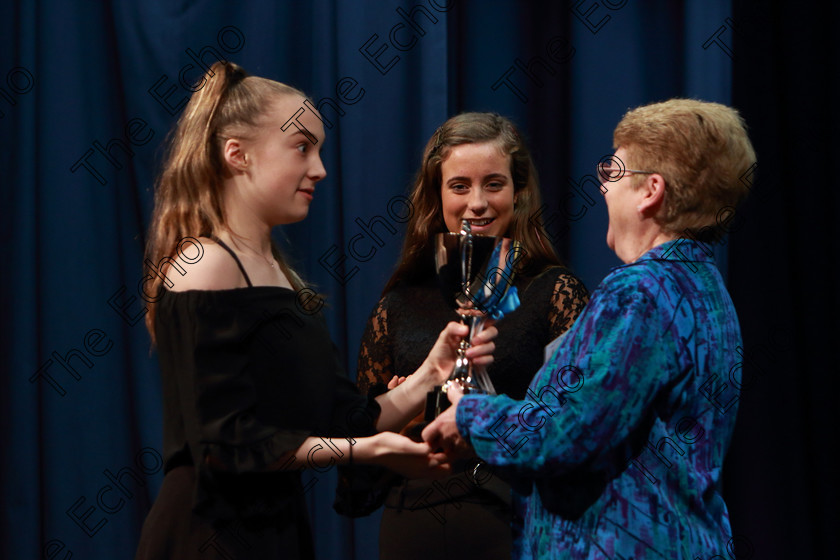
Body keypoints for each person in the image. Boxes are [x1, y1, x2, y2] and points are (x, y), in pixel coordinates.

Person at [134, 61, 497, 560]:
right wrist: (366, 451)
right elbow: (224, 443)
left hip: (276, 533)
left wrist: (429, 376)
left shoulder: (282, 277)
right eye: (302, 147)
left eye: (319, 149)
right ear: (237, 155)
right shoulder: (204, 266)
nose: (320, 169)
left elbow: (347, 418)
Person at [423, 99, 757, 559]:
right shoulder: (707, 288)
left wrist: (469, 413)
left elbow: (566, 435)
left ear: (650, 191)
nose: (602, 187)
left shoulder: (638, 293)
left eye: (613, 170)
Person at [345, 112, 589, 560]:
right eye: (460, 186)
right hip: (412, 529)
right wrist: (404, 412)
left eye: (493, 184)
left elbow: (578, 433)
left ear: (518, 194)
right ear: (436, 197)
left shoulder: (554, 293)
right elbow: (358, 462)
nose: (477, 203)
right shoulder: (397, 306)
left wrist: (485, 419)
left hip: (517, 529)